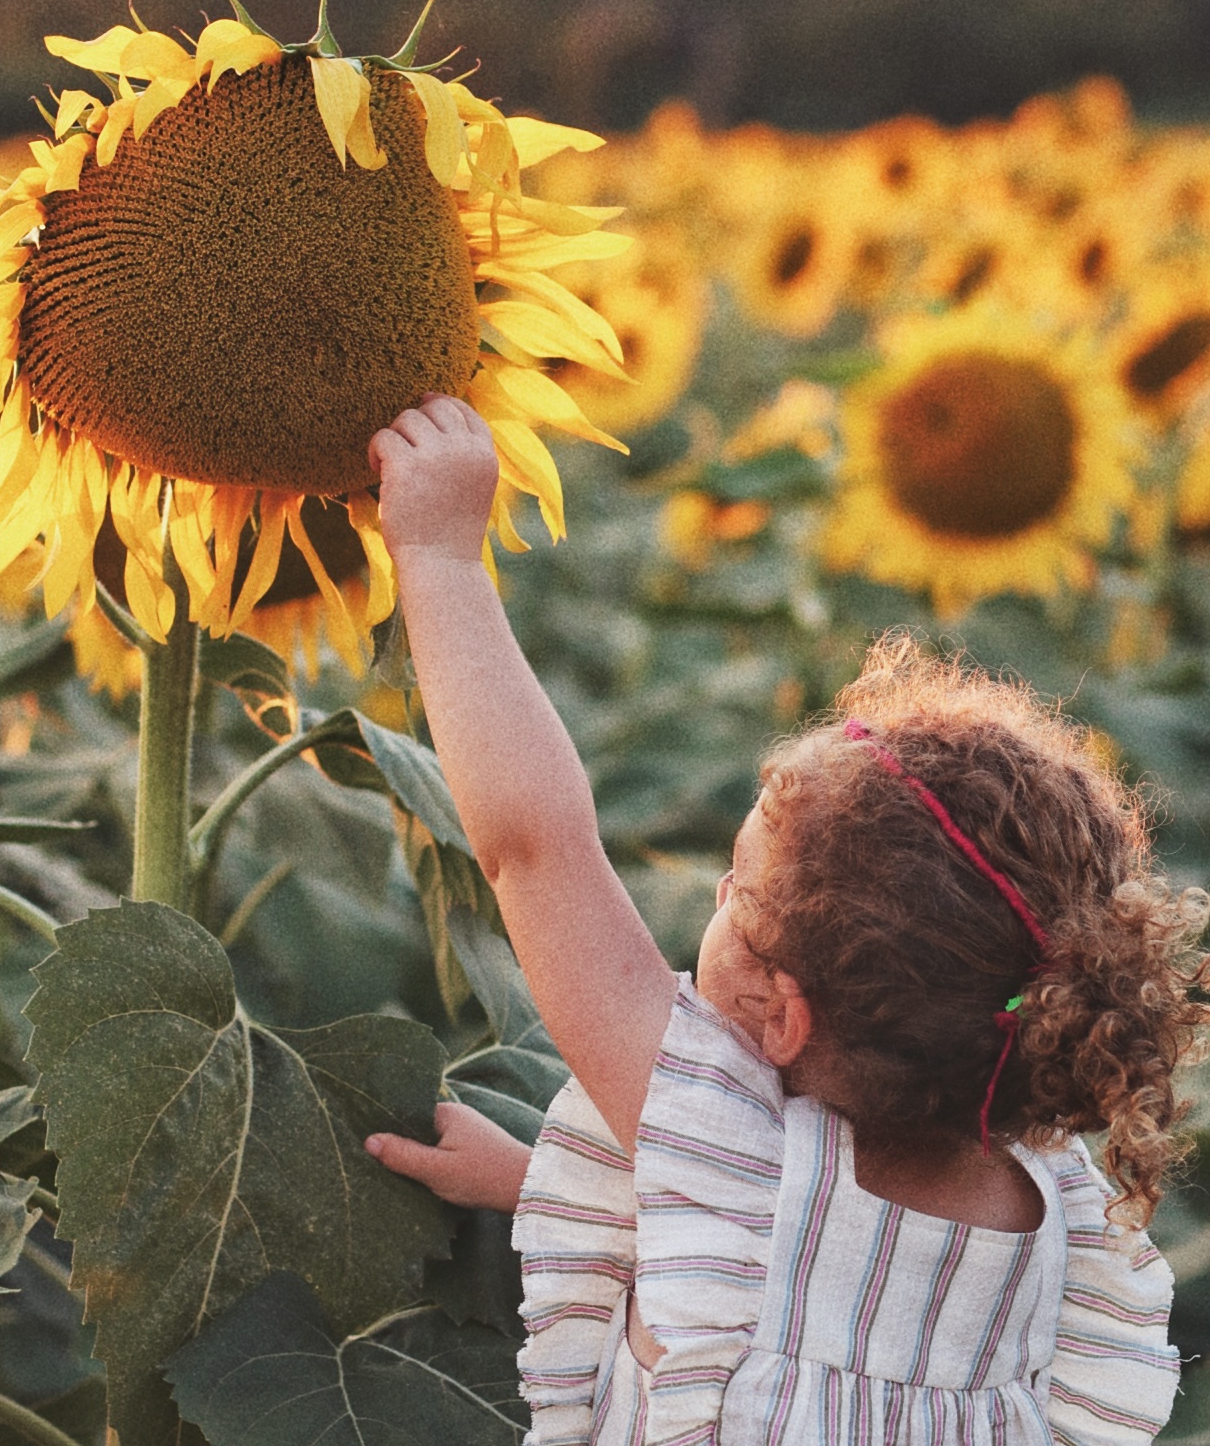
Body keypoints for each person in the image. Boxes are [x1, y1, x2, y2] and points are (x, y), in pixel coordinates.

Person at [363, 395, 1202, 1444]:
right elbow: (829, 1283)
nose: (714, 898)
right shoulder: (1045, 1203)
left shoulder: (722, 1135)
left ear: (780, 1016)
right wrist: (545, 1186)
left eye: (737, 890)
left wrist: (438, 559)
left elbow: (534, 849)